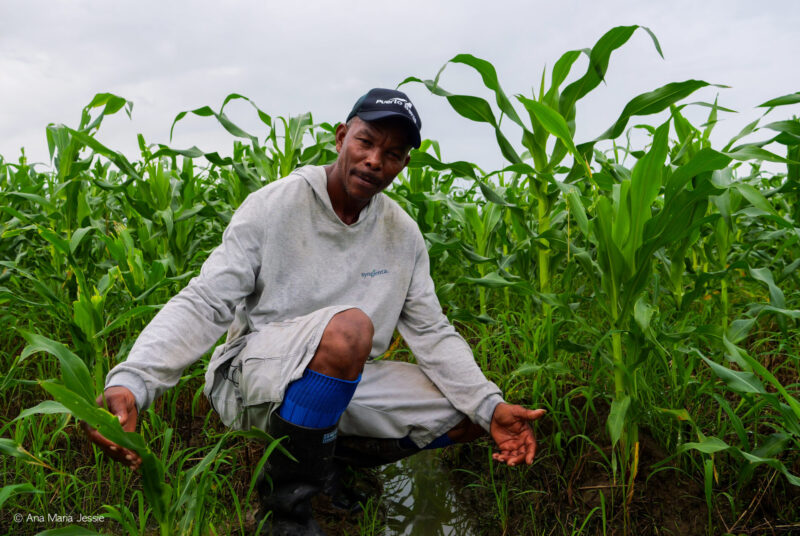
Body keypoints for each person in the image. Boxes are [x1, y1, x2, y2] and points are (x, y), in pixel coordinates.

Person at [84, 87, 546, 535]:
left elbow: (433, 331)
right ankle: (285, 513)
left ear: (403, 164)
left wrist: (491, 404)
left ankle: (327, 465)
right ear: (341, 136)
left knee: (469, 413)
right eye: (366, 142)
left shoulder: (401, 233)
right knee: (349, 330)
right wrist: (133, 382)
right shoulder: (275, 206)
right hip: (252, 378)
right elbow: (206, 300)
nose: (374, 160)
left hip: (340, 375)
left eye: (392, 153)